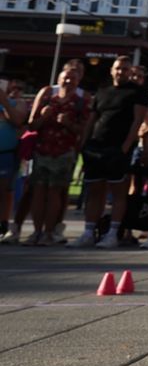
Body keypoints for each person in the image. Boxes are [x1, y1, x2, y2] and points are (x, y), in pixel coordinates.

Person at [76, 56, 148, 247]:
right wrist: (84, 144)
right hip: (96, 146)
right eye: (117, 68)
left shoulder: (138, 92)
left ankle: (113, 233)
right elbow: (92, 119)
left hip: (118, 148)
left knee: (118, 192)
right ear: (112, 70)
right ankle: (89, 231)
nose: (120, 72)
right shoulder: (102, 92)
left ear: (130, 71)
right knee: (95, 190)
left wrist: (126, 146)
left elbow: (137, 121)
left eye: (125, 69)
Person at [24, 60, 90, 244]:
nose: (68, 82)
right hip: (42, 150)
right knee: (38, 191)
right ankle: (36, 231)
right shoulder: (47, 98)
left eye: (73, 79)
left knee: (55, 192)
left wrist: (68, 123)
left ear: (78, 81)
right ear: (58, 79)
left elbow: (84, 130)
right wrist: (43, 117)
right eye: (65, 78)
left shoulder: (81, 102)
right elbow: (31, 124)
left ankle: (49, 232)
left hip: (64, 153)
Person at [0, 78, 30, 243]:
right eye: (13, 86)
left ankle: (3, 225)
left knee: (4, 190)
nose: (16, 90)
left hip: (6, 153)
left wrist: (4, 102)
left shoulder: (17, 104)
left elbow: (18, 121)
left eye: (20, 87)